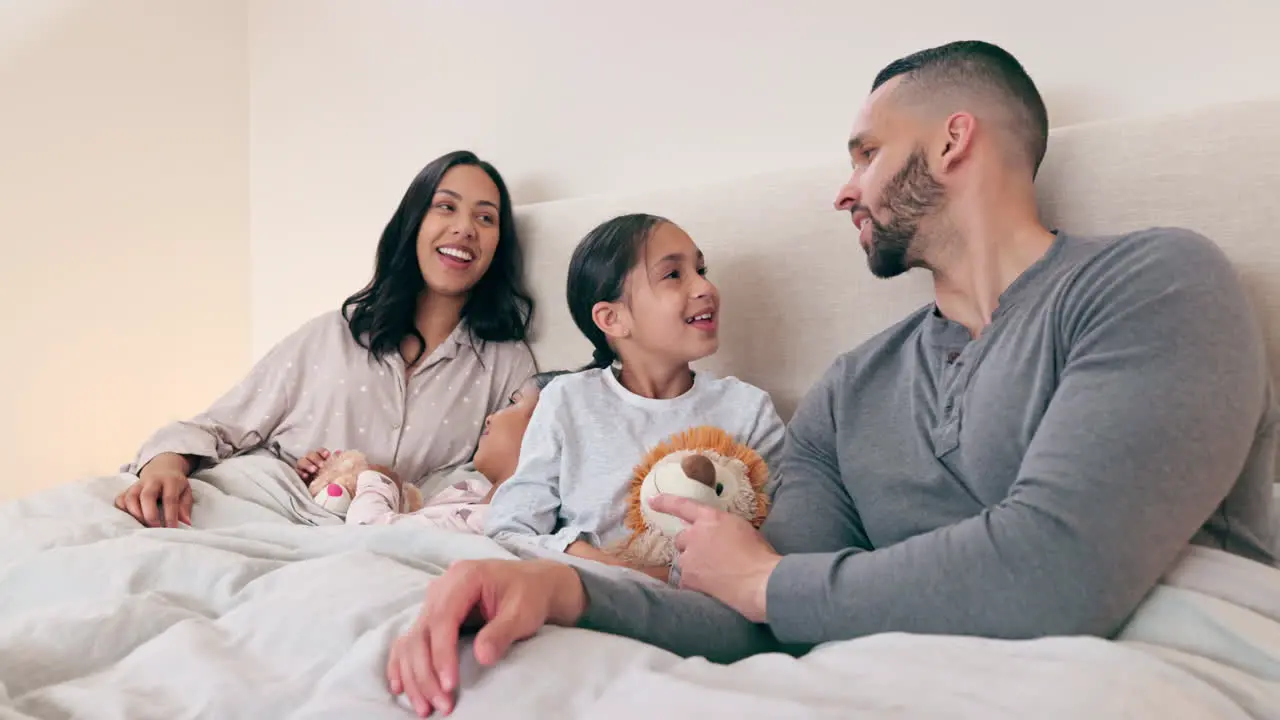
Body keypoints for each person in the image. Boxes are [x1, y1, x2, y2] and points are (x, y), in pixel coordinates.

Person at [383, 41, 1278, 716]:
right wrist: (566, 591)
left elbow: (1059, 568)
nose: (843, 192)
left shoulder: (1154, 282)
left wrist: (769, 585)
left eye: (864, 154)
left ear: (954, 140)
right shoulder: (851, 389)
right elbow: (746, 610)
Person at [114, 150, 539, 529]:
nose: (465, 228)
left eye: (486, 217)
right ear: (414, 224)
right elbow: (220, 425)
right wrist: (166, 463)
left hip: (368, 540)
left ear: (499, 244)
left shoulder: (508, 366)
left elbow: (520, 479)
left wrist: (387, 484)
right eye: (445, 207)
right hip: (253, 507)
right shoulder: (332, 336)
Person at [482, 213, 786, 581]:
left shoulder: (747, 410)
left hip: (699, 610)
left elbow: (778, 545)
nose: (704, 287)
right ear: (612, 319)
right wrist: (594, 560)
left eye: (702, 270)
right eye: (673, 274)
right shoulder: (568, 401)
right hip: (585, 600)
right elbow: (510, 530)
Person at [309, 370, 570, 533]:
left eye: (514, 402)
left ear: (546, 432)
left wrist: (377, 479)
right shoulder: (468, 493)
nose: (490, 417)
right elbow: (410, 525)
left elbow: (371, 534)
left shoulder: (495, 522)